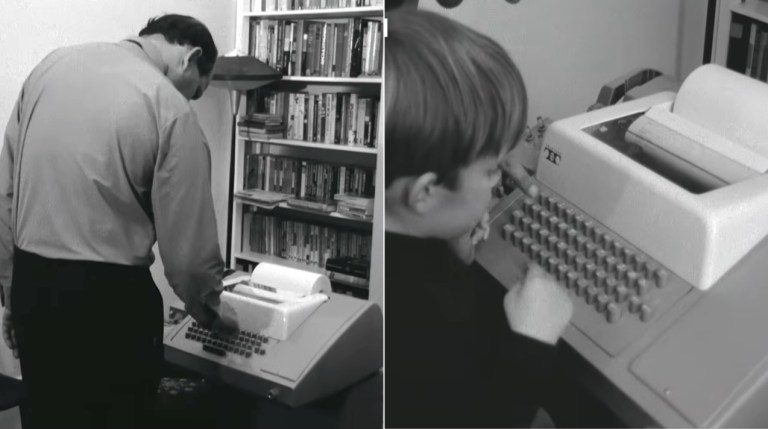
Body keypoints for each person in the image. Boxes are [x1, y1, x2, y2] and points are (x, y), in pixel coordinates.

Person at [0, 14, 239, 428]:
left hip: (33, 292)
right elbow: (188, 262)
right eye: (197, 90)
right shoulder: (169, 107)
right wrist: (212, 313)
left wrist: (10, 291)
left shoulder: (48, 70)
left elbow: (5, 194)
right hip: (107, 308)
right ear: (192, 57)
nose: (191, 99)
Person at [385, 10, 573, 428]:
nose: (498, 182)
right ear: (426, 194)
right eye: (491, 170)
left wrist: (450, 244)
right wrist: (533, 340)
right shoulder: (416, 325)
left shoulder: (398, 240)